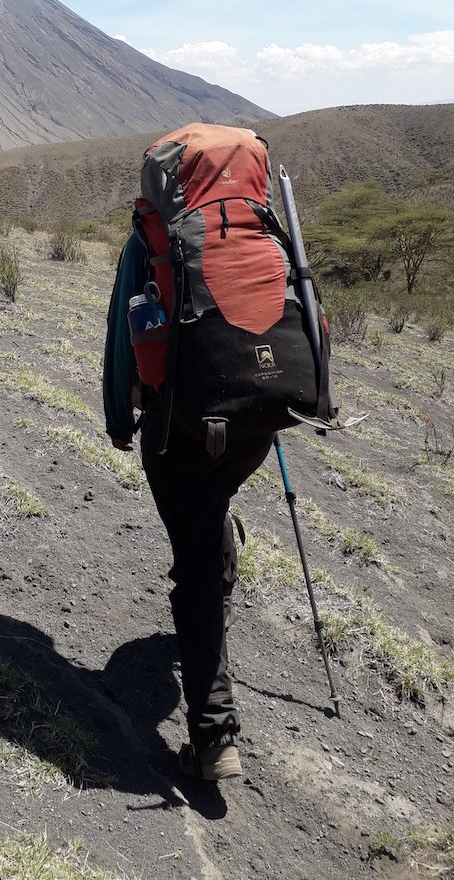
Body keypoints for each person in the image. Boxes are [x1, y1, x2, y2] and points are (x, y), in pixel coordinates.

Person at [103, 229, 273, 782]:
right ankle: (219, 574)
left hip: (178, 427)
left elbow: (121, 334)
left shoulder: (148, 242)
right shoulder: (258, 230)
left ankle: (213, 738)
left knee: (195, 565)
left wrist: (117, 419)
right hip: (254, 424)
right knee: (210, 510)